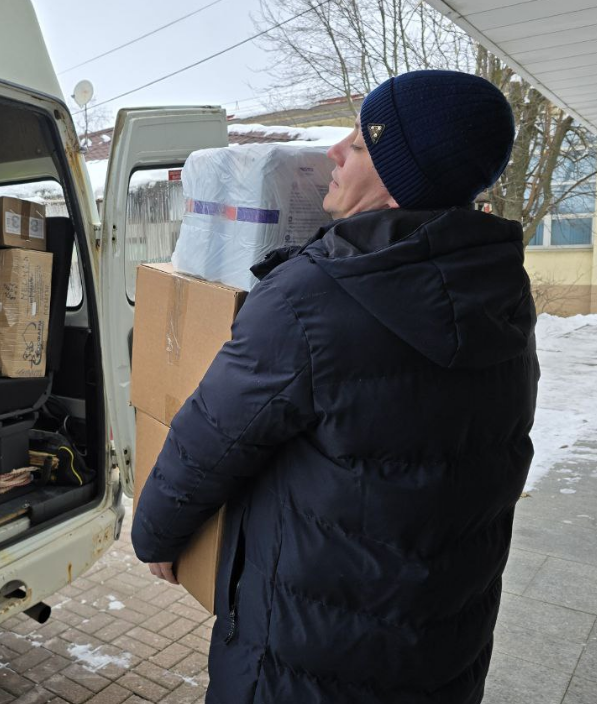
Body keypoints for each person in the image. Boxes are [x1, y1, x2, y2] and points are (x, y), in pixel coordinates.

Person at [131, 70, 539, 704]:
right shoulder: (498, 289)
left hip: (307, 653)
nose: (334, 155)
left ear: (401, 177)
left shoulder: (315, 297)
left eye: (358, 143)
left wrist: (156, 533)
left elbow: (211, 435)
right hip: (442, 643)